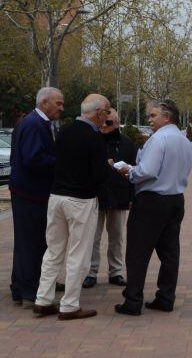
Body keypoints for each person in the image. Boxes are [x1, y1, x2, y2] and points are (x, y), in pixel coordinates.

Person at [34, 94, 112, 320]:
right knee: (79, 253)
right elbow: (99, 175)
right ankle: (69, 305)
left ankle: (43, 299)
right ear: (98, 113)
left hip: (56, 196)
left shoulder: (64, 130)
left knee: (53, 250)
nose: (106, 118)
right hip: (81, 200)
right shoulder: (94, 137)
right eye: (106, 113)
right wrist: (106, 167)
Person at [114, 99, 192, 316]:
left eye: (153, 115)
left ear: (167, 117)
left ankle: (133, 301)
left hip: (151, 200)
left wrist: (129, 172)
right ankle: (166, 297)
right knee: (170, 252)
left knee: (138, 252)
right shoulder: (184, 140)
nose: (149, 119)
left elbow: (147, 170)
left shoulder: (159, 139)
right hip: (175, 198)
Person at [8, 87, 64, 308]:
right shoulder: (33, 125)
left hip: (31, 192)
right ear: (44, 103)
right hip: (29, 193)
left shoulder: (37, 123)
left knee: (32, 241)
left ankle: (27, 285)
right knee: (31, 242)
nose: (61, 107)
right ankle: (30, 290)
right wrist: (61, 162)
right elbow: (33, 159)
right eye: (58, 103)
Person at [83, 109, 136, 289]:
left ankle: (116, 272)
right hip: (95, 196)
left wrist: (131, 197)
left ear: (117, 123)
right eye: (104, 122)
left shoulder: (127, 144)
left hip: (119, 195)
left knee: (117, 237)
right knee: (93, 237)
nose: (105, 126)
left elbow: (134, 171)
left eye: (110, 123)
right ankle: (91, 272)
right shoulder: (92, 140)